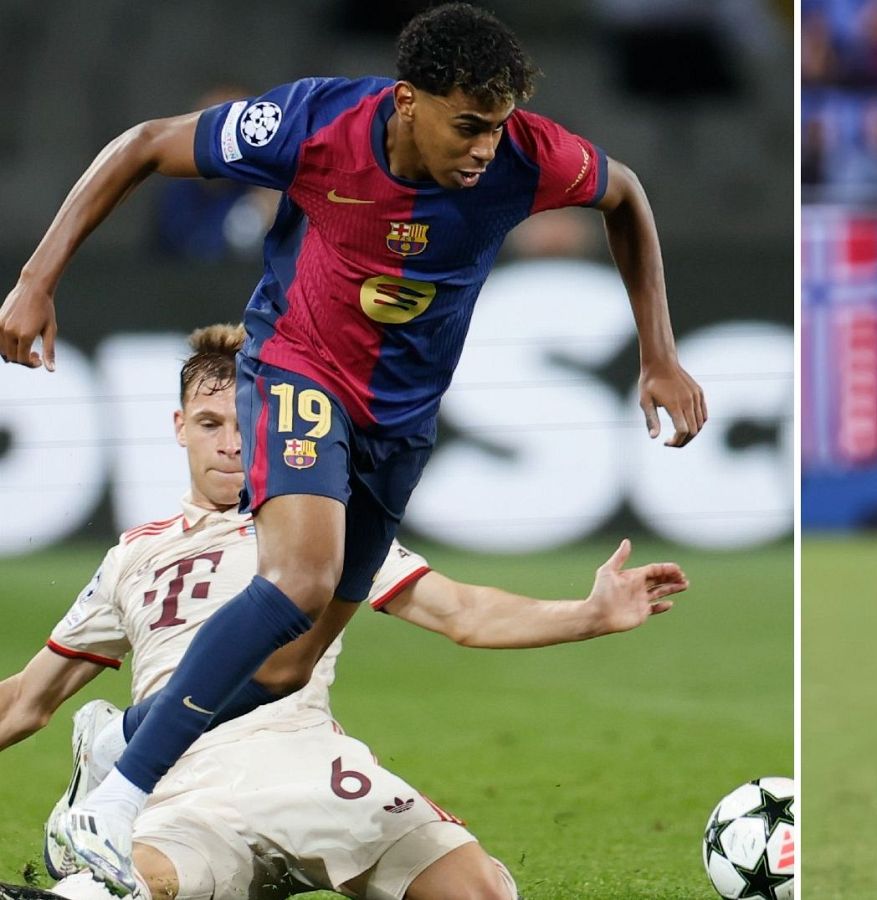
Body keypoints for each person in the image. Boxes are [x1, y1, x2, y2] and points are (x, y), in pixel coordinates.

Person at [0, 4, 706, 892]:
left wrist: (660, 354)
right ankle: (113, 804)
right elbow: (144, 143)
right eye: (469, 125)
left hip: (398, 421)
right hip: (296, 365)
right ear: (408, 102)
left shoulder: (530, 153)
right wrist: (34, 281)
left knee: (290, 662)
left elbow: (627, 195)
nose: (487, 147)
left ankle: (124, 742)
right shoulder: (316, 124)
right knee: (296, 577)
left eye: (496, 126)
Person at [0, 323, 689, 900]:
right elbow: (26, 701)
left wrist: (589, 614)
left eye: (246, 425)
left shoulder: (315, 531)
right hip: (182, 777)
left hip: (309, 763)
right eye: (210, 424)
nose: (232, 444)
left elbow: (462, 613)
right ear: (179, 429)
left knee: (480, 890)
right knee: (132, 886)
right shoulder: (130, 557)